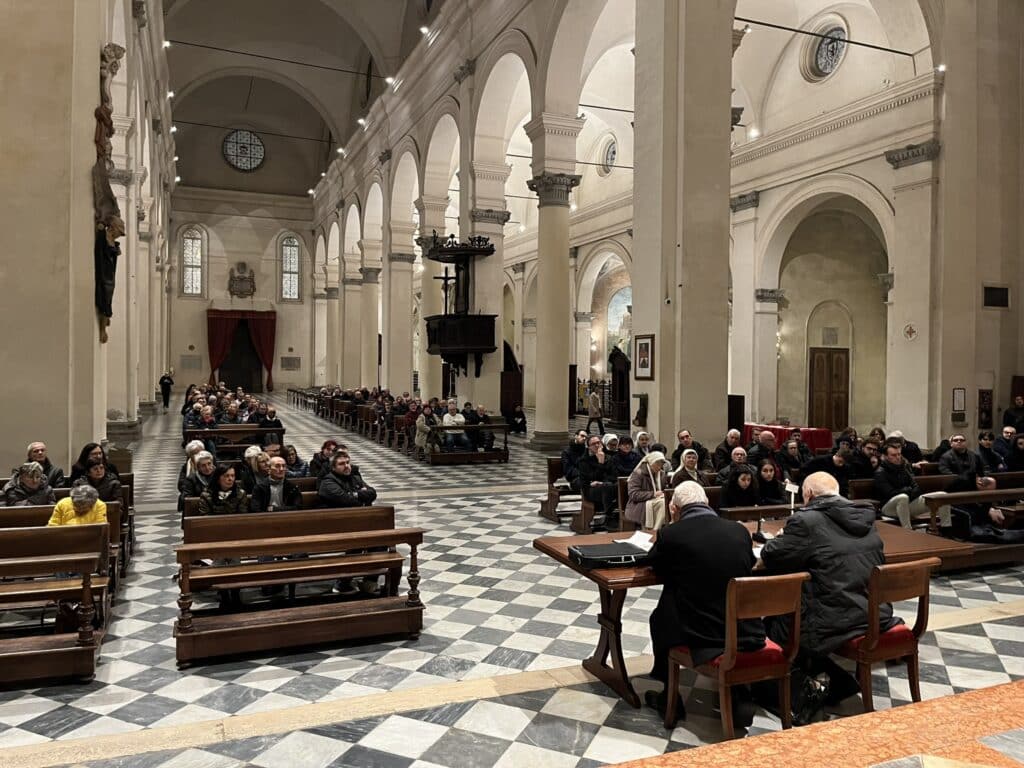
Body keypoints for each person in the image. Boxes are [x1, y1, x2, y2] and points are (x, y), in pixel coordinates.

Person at [760, 472, 901, 718]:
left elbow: (772, 555)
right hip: (873, 612)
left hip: (834, 619)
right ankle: (838, 682)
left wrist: (781, 539)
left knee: (777, 624)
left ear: (808, 494)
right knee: (804, 611)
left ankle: (796, 695)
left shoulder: (807, 520)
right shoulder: (864, 516)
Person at [646, 481, 763, 726]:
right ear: (707, 503)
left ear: (674, 509)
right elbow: (749, 563)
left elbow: (656, 565)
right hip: (745, 629)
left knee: (661, 616)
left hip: (702, 633)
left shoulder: (671, 533)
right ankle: (739, 693)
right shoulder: (739, 531)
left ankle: (670, 697)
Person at [874, 441, 936, 530]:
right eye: (893, 455)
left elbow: (916, 487)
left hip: (907, 503)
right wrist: (908, 490)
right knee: (902, 497)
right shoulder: (880, 473)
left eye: (899, 454)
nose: (898, 457)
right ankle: (908, 531)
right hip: (888, 507)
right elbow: (890, 493)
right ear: (885, 457)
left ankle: (945, 528)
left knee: (940, 496)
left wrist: (908, 491)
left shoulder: (903, 468)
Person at [578, 434, 619, 525]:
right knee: (607, 487)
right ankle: (609, 517)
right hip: (590, 490)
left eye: (598, 443)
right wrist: (600, 463)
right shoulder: (583, 461)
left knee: (619, 485)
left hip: (606, 485)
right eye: (593, 444)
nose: (597, 445)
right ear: (588, 447)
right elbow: (591, 478)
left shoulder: (608, 457)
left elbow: (614, 475)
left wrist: (602, 482)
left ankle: (623, 516)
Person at [624, 451, 669, 527]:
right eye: (657, 463)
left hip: (656, 500)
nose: (659, 466)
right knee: (662, 504)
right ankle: (655, 530)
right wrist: (653, 494)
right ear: (650, 462)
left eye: (661, 464)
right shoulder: (638, 473)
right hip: (639, 504)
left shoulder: (661, 474)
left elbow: (664, 489)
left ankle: (660, 529)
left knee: (667, 503)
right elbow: (633, 494)